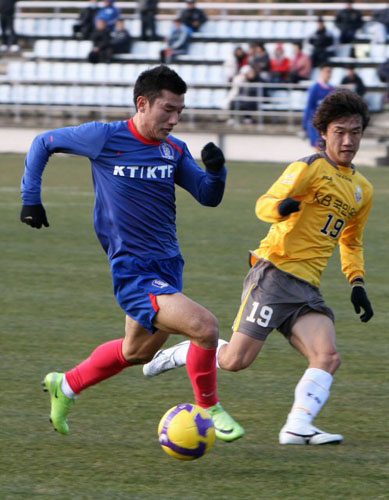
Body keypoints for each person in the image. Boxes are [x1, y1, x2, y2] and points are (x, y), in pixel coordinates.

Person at [20, 65, 244, 443]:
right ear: (143, 103)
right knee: (205, 327)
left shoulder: (173, 150)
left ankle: (66, 385)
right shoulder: (105, 138)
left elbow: (208, 196)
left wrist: (217, 171)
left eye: (180, 113)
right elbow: (44, 142)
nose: (174, 120)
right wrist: (31, 199)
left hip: (169, 266)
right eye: (167, 110)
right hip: (133, 270)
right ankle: (209, 408)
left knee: (136, 352)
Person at [143, 89, 374, 446]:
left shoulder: (362, 189)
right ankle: (184, 351)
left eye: (355, 132)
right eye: (340, 131)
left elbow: (351, 240)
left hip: (307, 287)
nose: (348, 140)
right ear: (324, 133)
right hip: (274, 275)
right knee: (236, 360)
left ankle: (297, 427)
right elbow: (264, 204)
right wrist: (282, 209)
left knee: (327, 356)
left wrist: (356, 282)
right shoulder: (309, 168)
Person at [303, 64, 334, 149]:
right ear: (321, 72)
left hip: (328, 124)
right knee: (319, 150)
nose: (329, 74)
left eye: (330, 72)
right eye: (327, 72)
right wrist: (305, 125)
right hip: (316, 124)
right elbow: (309, 107)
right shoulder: (314, 88)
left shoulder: (331, 89)